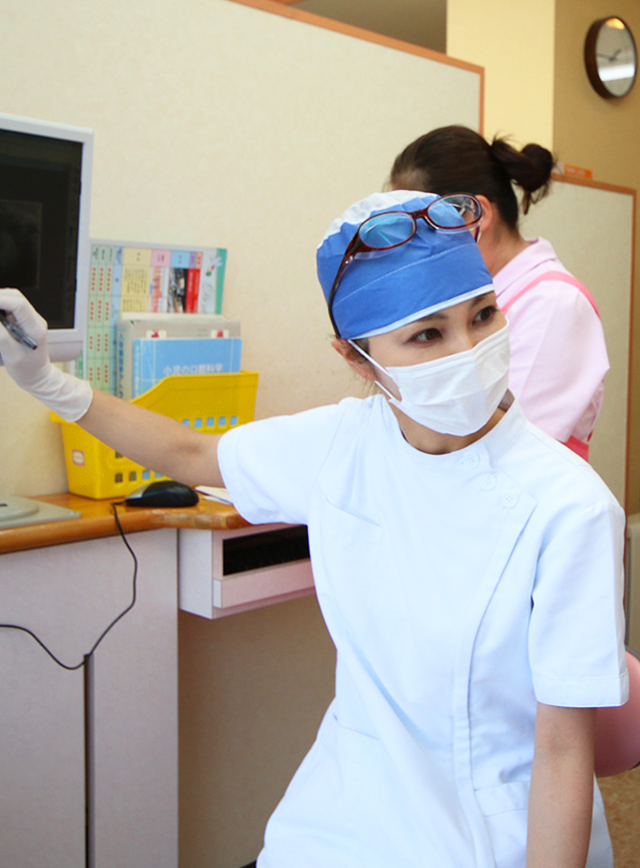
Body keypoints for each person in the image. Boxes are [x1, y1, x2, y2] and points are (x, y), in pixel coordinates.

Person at [0, 190, 628, 868]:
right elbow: (193, 455)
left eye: (483, 315)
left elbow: (564, 750)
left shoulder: (569, 508)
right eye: (428, 333)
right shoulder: (345, 442)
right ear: (359, 360)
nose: (470, 348)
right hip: (343, 813)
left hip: (493, 833)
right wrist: (49, 383)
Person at [389, 125, 609, 461]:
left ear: (473, 214)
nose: (411, 246)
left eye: (418, 227)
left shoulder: (553, 303)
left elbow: (509, 444)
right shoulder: (461, 299)